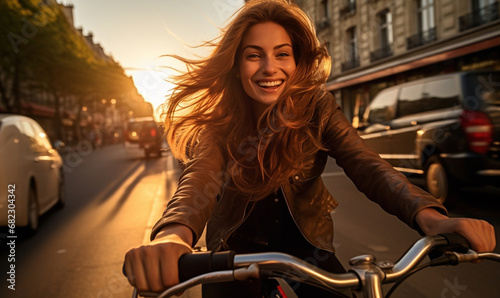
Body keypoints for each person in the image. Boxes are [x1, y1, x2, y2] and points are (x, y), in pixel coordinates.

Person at [124, 0, 496, 297]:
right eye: (254, 55)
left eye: (282, 54)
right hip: (231, 259)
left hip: (311, 252)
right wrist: (174, 234)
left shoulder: (317, 107)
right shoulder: (222, 119)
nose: (270, 68)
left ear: (297, 60)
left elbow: (366, 164)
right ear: (236, 64)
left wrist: (432, 218)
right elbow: (199, 179)